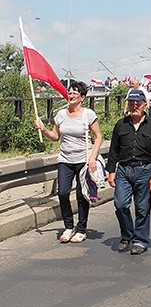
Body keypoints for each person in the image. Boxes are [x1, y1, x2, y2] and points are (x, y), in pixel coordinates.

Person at [34, 81, 103, 243]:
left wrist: (92, 157)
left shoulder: (89, 114)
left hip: (83, 160)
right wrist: (43, 129)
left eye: (74, 93)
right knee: (63, 192)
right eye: (69, 93)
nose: (70, 96)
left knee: (81, 195)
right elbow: (55, 136)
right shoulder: (61, 115)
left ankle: (81, 229)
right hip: (65, 160)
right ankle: (68, 226)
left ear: (82, 98)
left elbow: (98, 136)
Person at [106, 89, 151, 255]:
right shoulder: (120, 125)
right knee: (120, 204)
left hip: (145, 170)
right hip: (124, 170)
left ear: (145, 105)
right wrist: (111, 171)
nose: (134, 105)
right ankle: (127, 235)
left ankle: (140, 240)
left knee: (142, 207)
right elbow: (113, 150)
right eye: (131, 102)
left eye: (138, 103)